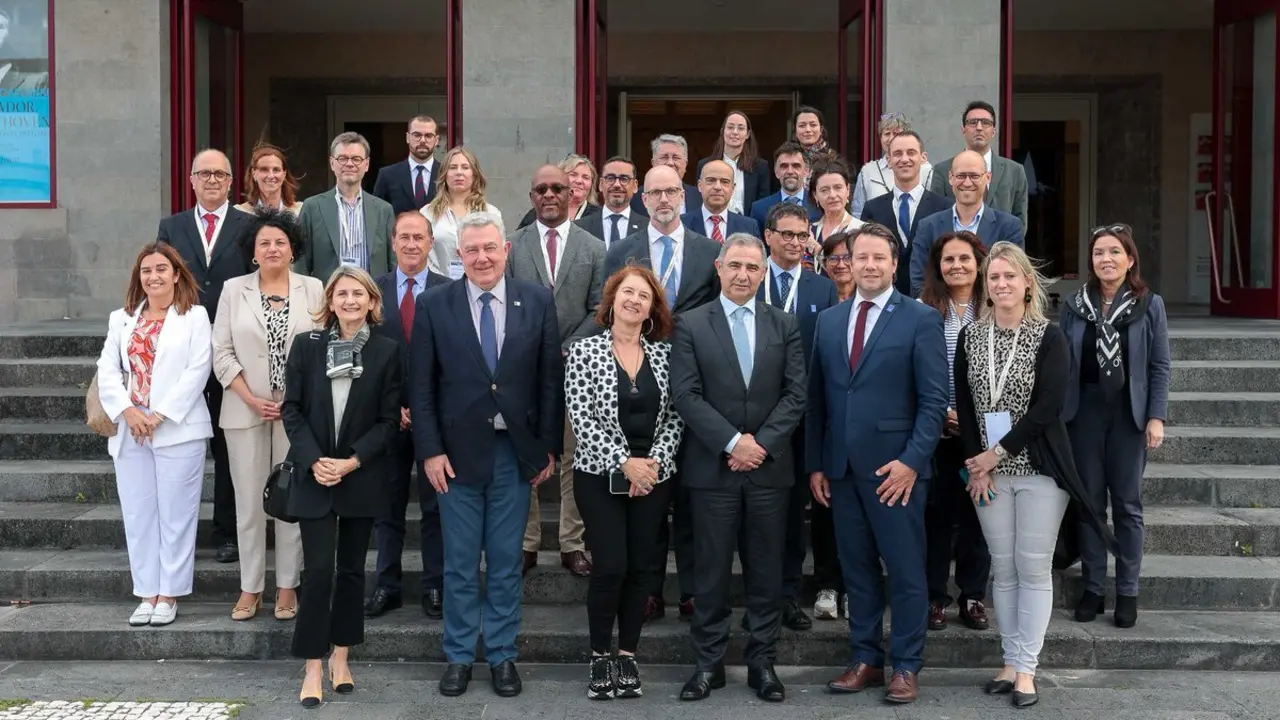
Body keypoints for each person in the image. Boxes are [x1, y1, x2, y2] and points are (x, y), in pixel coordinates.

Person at [954, 241, 1115, 708]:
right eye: (994, 278)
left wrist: (996, 453)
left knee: (1032, 567)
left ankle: (1027, 669)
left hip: (1039, 470)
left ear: (1028, 283)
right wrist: (975, 463)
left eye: (1009, 276)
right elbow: (965, 406)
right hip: (987, 475)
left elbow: (1048, 408)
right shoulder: (972, 335)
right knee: (1001, 571)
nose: (1001, 284)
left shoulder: (1050, 336)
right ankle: (1008, 661)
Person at [411, 212, 562, 699]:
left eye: (489, 249)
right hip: (454, 458)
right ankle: (457, 656)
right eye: (471, 250)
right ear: (459, 255)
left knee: (503, 561)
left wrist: (545, 448)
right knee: (458, 563)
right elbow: (423, 388)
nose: (481, 258)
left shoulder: (536, 301)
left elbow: (548, 381)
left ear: (506, 250)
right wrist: (430, 451)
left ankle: (501, 654)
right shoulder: (435, 305)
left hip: (513, 456)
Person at [807, 223, 947, 705]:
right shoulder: (830, 320)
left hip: (898, 474)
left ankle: (906, 665)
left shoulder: (921, 319)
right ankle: (865, 658)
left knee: (907, 572)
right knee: (857, 570)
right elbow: (820, 400)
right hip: (842, 471)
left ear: (894, 263)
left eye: (878, 258)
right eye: (859, 257)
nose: (867, 265)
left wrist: (911, 462)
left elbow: (934, 402)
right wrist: (818, 464)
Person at [671, 233, 807, 703]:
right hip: (712, 470)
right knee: (710, 574)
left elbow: (796, 394)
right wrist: (732, 442)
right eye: (735, 265)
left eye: (753, 267)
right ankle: (707, 665)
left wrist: (760, 445)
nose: (744, 274)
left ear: (764, 271)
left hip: (769, 472)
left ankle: (763, 665)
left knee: (766, 574)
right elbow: (685, 395)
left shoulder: (784, 324)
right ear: (719, 266)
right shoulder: (690, 324)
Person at [281, 265, 403, 708]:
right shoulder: (306, 346)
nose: (350, 301)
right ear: (329, 301)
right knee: (317, 574)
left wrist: (351, 462)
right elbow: (291, 410)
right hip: (314, 476)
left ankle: (342, 658)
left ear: (372, 302)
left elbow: (390, 421)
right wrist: (316, 460)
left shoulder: (387, 352)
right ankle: (312, 665)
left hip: (359, 476)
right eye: (342, 294)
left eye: (359, 294)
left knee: (352, 573)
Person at [605, 164, 721, 622]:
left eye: (672, 190)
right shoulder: (622, 251)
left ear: (684, 197)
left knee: (691, 496)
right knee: (647, 493)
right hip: (638, 384)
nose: (664, 199)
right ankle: (648, 590)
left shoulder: (710, 251)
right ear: (642, 199)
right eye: (654, 192)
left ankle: (692, 590)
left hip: (696, 382)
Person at [565, 266, 684, 701]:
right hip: (599, 477)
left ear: (653, 308)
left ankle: (628, 656)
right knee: (611, 565)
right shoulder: (584, 351)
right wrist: (624, 463)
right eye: (627, 292)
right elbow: (582, 418)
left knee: (642, 570)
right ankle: (599, 657)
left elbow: (674, 416)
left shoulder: (665, 356)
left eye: (644, 295)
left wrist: (651, 464)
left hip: (654, 477)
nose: (635, 300)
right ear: (612, 299)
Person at [213, 209, 324, 622]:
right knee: (248, 502)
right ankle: (250, 586)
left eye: (280, 242)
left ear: (292, 249)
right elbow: (220, 352)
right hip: (245, 409)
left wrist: (296, 399)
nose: (273, 248)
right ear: (253, 252)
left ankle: (287, 587)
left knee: (292, 498)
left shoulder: (313, 290)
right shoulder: (232, 290)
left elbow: (322, 347)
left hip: (299, 413)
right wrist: (249, 396)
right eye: (264, 243)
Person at [96, 243, 212, 627]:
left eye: (162, 269)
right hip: (131, 429)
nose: (154, 276)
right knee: (139, 513)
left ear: (176, 274)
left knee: (176, 514)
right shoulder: (121, 319)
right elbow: (107, 369)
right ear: (138, 277)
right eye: (146, 270)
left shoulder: (194, 316)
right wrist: (128, 412)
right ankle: (146, 591)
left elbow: (198, 370)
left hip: (177, 427)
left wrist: (159, 415)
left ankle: (170, 593)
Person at [1061, 224, 1171, 629]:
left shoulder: (1149, 304)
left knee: (1127, 504)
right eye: (1098, 253)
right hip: (1084, 412)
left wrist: (1156, 416)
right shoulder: (1075, 306)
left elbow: (1159, 366)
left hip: (1129, 413)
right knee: (1089, 503)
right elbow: (1063, 364)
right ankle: (1093, 587)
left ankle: (1127, 590)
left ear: (1130, 258)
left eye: (1114, 252)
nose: (1105, 259)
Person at [507, 164, 607, 577]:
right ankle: (526, 543)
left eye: (558, 189)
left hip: (577, 364)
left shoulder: (594, 247)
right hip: (524, 369)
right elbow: (508, 302)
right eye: (541, 189)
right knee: (525, 456)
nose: (549, 195)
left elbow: (599, 307)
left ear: (573, 195)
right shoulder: (514, 245)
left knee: (573, 458)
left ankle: (572, 543)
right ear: (531, 197)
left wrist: (567, 346)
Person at [157, 148, 255, 565]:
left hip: (235, 347)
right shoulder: (172, 225)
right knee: (185, 439)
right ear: (192, 180)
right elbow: (160, 279)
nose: (212, 180)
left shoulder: (249, 225)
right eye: (204, 173)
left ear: (232, 181)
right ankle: (176, 531)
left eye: (220, 173)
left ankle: (228, 532)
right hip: (185, 347)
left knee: (229, 443)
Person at [364, 213, 452, 620]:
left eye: (419, 237)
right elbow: (366, 354)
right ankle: (388, 585)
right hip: (387, 416)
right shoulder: (373, 291)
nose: (412, 244)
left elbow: (456, 358)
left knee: (436, 507)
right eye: (405, 237)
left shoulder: (449, 291)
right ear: (393, 242)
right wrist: (392, 407)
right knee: (387, 506)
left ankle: (435, 585)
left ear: (431, 242)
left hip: (435, 416)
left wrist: (423, 407)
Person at [756, 202, 838, 628]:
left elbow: (824, 356)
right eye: (785, 234)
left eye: (801, 235)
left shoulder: (821, 289)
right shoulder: (750, 278)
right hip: (754, 416)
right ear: (768, 236)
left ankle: (787, 596)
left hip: (802, 418)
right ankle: (759, 598)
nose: (793, 242)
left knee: (792, 514)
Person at [917, 231, 991, 631]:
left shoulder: (994, 307)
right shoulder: (923, 308)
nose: (957, 266)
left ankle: (973, 595)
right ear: (938, 266)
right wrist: (942, 411)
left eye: (964, 258)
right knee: (938, 517)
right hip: (937, 431)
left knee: (980, 515)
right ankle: (935, 597)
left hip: (983, 435)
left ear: (978, 264)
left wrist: (973, 415)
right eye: (949, 260)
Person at [910, 150, 1024, 296]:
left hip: (990, 314)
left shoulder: (1009, 226)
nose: (967, 182)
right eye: (961, 176)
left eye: (975, 176)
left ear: (988, 177)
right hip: (939, 314)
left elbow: (1011, 278)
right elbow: (918, 280)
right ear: (951, 178)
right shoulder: (927, 227)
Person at [297, 132, 397, 281]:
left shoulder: (384, 210)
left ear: (367, 164)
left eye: (356, 159)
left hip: (373, 298)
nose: (349, 164)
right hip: (327, 298)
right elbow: (301, 261)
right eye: (342, 158)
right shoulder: (312, 207)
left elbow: (393, 261)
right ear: (332, 163)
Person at [860, 131, 950, 295]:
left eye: (911, 153)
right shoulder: (872, 208)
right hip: (884, 299)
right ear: (888, 160)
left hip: (930, 299)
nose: (904, 159)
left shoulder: (944, 207)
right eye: (897, 154)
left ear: (923, 158)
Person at [929, 100, 1029, 232]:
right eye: (973, 122)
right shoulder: (942, 170)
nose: (979, 128)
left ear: (994, 131)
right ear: (963, 130)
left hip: (1000, 249)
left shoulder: (1014, 171)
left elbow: (1020, 221)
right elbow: (935, 218)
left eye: (986, 123)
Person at [421, 146, 503, 280]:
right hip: (438, 287)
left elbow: (497, 253)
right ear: (444, 174)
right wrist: (441, 282)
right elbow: (423, 255)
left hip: (480, 285)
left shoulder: (491, 213)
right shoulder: (427, 213)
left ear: (474, 174)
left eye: (465, 167)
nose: (459, 173)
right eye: (453, 167)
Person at [852, 112, 934, 217]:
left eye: (896, 133)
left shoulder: (926, 169)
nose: (891, 138)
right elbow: (858, 211)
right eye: (887, 134)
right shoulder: (868, 171)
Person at [696, 111, 772, 213]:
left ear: (747, 134)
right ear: (723, 131)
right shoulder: (705, 165)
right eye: (730, 127)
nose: (735, 132)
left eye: (741, 128)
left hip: (748, 225)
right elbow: (699, 199)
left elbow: (763, 204)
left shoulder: (760, 166)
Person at [372, 115, 442, 215]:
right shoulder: (387, 175)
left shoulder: (446, 173)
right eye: (417, 135)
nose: (422, 140)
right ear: (407, 138)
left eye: (428, 136)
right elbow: (377, 214)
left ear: (437, 140)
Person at [681, 159, 761, 242]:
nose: (717, 187)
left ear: (732, 188)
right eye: (711, 180)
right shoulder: (681, 224)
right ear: (700, 186)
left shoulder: (749, 227)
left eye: (724, 182)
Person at [749, 142, 822, 232]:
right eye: (784, 166)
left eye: (796, 166)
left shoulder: (820, 205)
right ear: (776, 172)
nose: (790, 171)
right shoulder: (759, 209)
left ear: (806, 171)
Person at [578, 156, 647, 249]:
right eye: (610, 178)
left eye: (624, 179)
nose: (617, 185)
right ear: (601, 184)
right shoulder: (579, 228)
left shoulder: (648, 228)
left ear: (635, 186)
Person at [518, 154, 602, 228]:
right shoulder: (538, 212)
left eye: (586, 177)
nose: (579, 181)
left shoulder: (599, 216)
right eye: (573, 175)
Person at [809, 159, 862, 272]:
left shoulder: (861, 231)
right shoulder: (809, 231)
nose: (832, 195)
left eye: (838, 187)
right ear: (815, 195)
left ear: (847, 190)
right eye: (824, 190)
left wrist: (815, 248)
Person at [629, 134, 703, 215]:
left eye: (676, 157)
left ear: (685, 163)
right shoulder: (635, 198)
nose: (670, 163)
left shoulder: (700, 197)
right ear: (653, 163)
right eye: (664, 157)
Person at [235, 144, 304, 217]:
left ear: (284, 174)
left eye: (276, 170)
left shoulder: (300, 212)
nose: (271, 176)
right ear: (254, 173)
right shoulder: (240, 212)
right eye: (264, 170)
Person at [790, 105, 836, 170]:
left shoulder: (832, 158)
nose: (808, 130)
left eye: (813, 125)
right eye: (802, 125)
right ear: (795, 132)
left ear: (821, 130)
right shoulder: (788, 157)